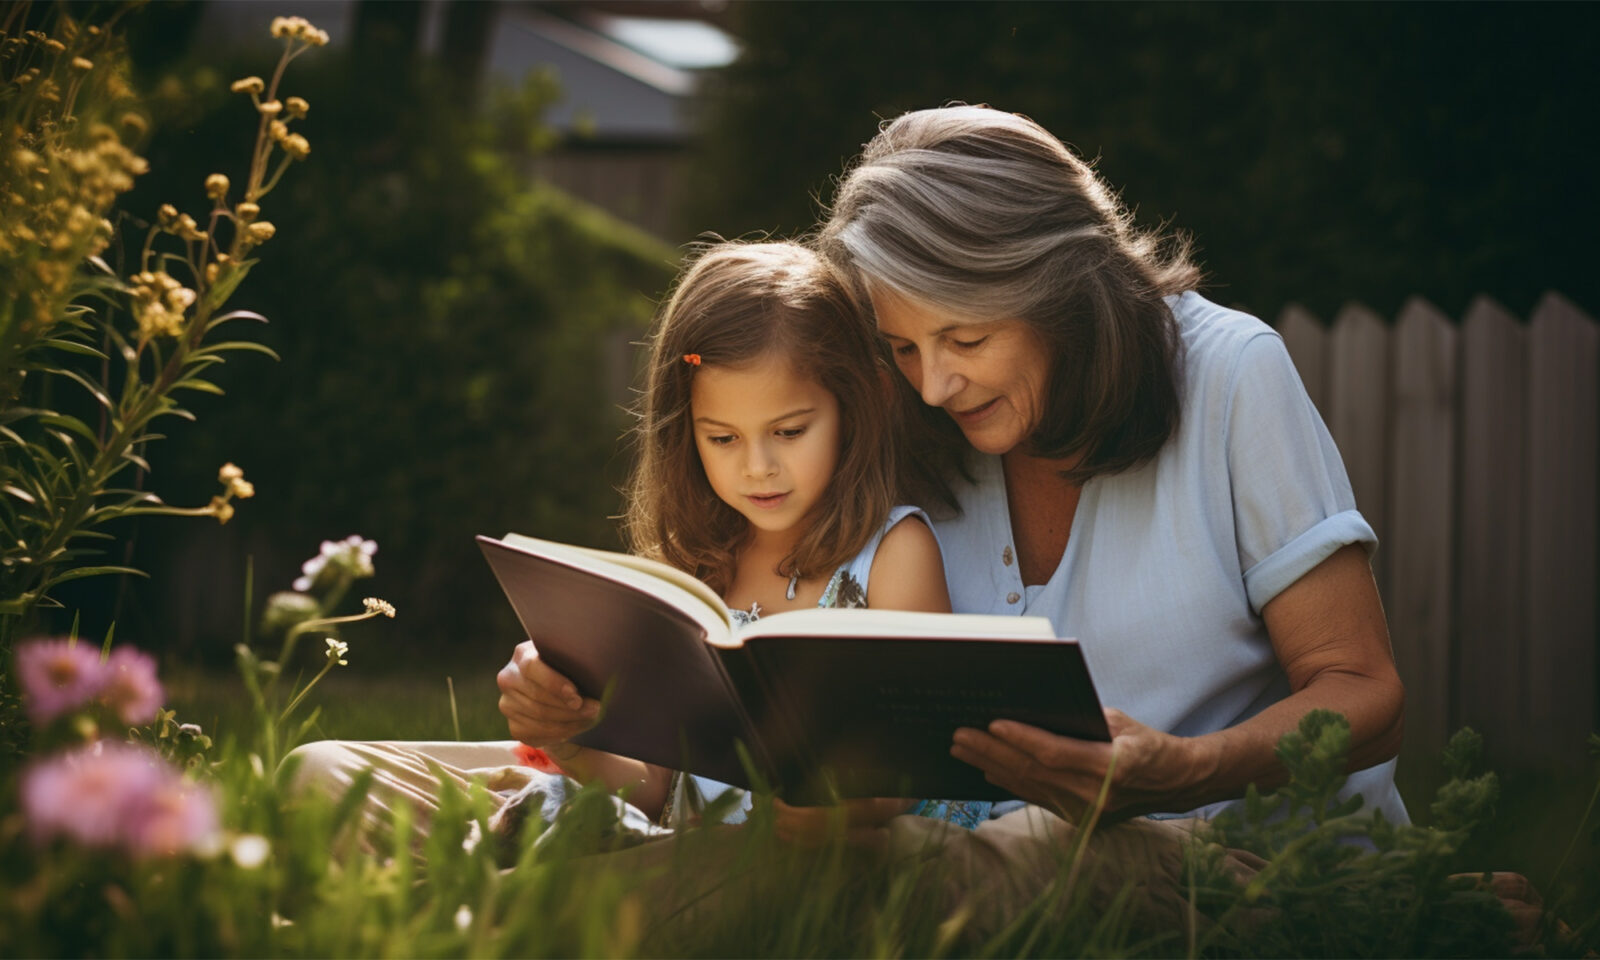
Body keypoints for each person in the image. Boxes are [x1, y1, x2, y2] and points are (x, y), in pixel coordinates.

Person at [807, 103, 1407, 832]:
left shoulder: (1229, 373)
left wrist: (1187, 771)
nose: (932, 386)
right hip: (1012, 894)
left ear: (1062, 292)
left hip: (1249, 877)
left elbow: (1363, 692)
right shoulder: (904, 416)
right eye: (902, 346)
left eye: (965, 338)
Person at [286, 242, 977, 842]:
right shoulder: (692, 571)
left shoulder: (894, 552)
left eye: (790, 431)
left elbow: (917, 766)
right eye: (723, 439)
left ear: (853, 410)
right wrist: (569, 736)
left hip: (837, 857)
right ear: (688, 434)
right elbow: (655, 792)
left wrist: (843, 802)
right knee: (316, 772)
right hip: (676, 847)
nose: (758, 466)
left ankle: (500, 892)